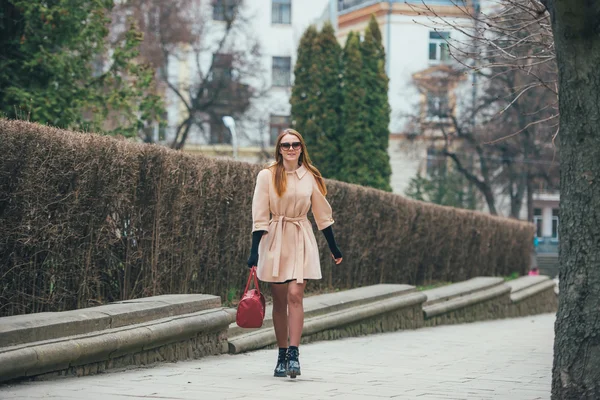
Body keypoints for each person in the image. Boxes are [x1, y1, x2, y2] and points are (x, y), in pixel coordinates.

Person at [247, 129, 343, 379]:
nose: (291, 148)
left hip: (301, 237)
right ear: (279, 148)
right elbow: (259, 215)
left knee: (295, 295)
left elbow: (323, 215)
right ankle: (280, 355)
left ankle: (294, 354)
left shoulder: (309, 176)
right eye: (286, 144)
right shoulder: (267, 176)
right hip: (275, 240)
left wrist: (334, 248)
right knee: (279, 301)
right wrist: (254, 252)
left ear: (301, 148)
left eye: (295, 144)